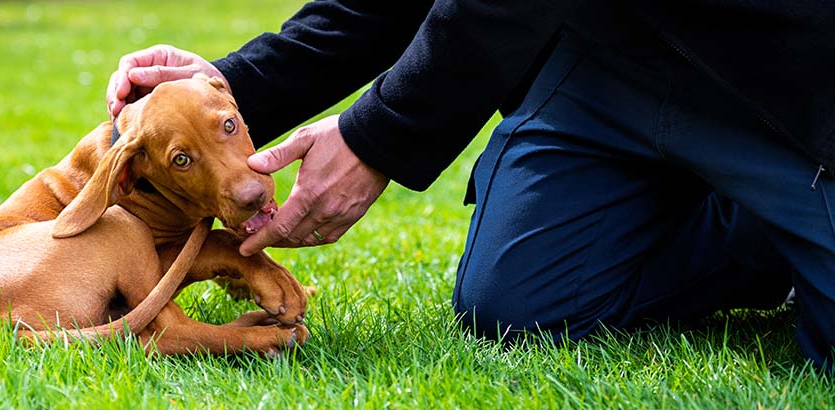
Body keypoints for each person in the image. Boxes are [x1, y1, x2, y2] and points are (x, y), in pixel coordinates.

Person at [106, 1, 835, 371]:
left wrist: (376, 134)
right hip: (614, 63)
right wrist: (225, 93)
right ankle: (762, 236)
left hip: (784, 64)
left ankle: (790, 213)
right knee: (518, 306)